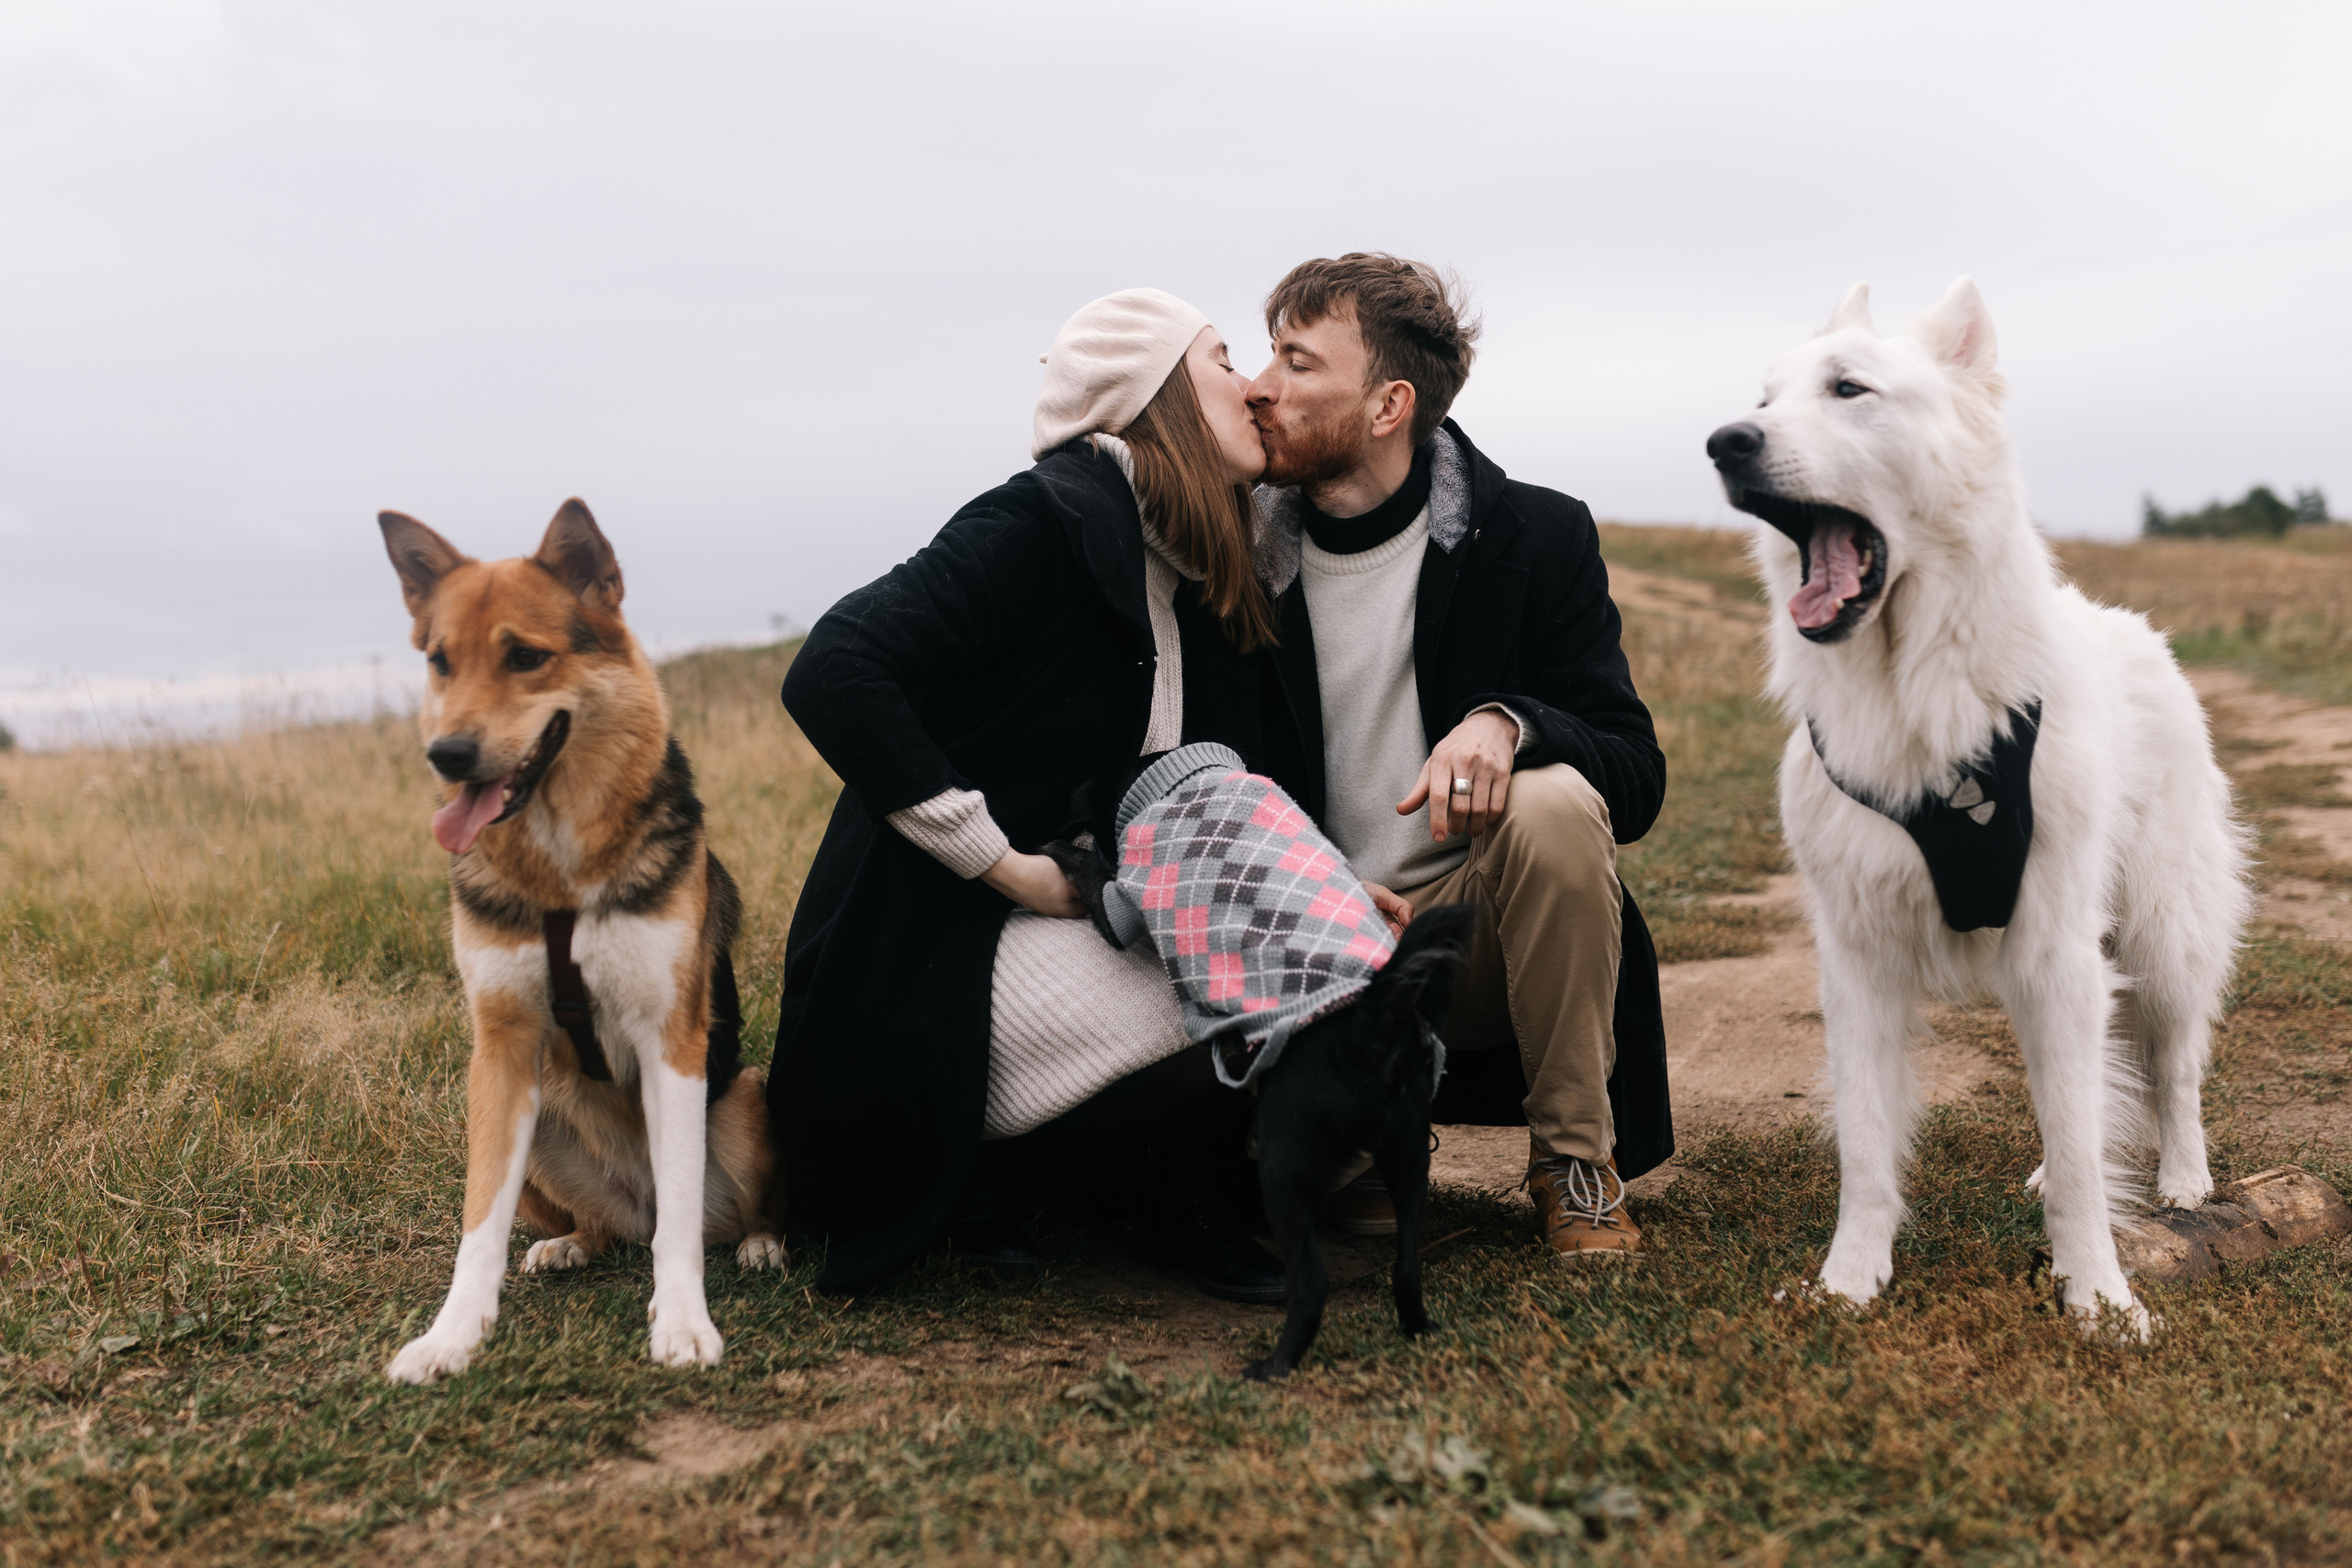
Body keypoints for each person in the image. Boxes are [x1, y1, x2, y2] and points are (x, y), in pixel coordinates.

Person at [770, 288, 1288, 1300]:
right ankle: (1005, 1168)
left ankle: (1111, 1175)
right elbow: (834, 668)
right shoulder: (1042, 519)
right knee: (1245, 973)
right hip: (922, 949)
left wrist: (1315, 885)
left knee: (1294, 948)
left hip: (1068, 924)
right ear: (1152, 395)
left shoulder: (1189, 570)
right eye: (1224, 360)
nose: (1252, 388)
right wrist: (999, 864)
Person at [1246, 254, 1673, 1260]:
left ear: (1388, 405)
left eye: (1298, 363)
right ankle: (1353, 1125)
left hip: (1457, 938)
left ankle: (1575, 1159)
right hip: (1294, 939)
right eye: (1268, 355)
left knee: (1556, 801)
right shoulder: (1231, 549)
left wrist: (1512, 723)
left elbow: (1635, 773)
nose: (1260, 386)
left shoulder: (1537, 535)